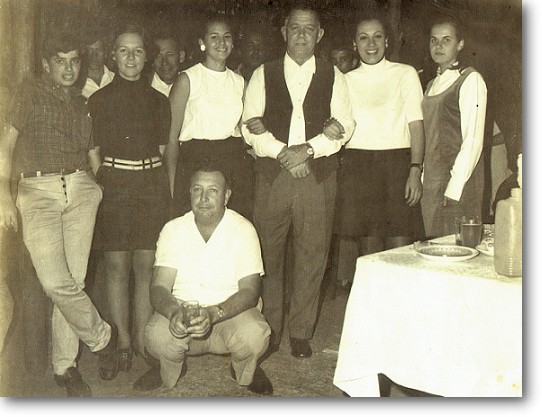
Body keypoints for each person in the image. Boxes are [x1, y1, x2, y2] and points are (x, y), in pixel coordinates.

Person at [0, 31, 117, 396]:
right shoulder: (29, 92)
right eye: (60, 61)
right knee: (55, 282)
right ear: (46, 64)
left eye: (74, 61)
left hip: (81, 189)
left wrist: (99, 188)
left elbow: (93, 154)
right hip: (38, 191)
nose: (68, 68)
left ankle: (65, 368)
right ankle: (102, 338)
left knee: (74, 283)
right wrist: (4, 197)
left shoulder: (81, 104)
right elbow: (6, 145)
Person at [241, 2, 354, 359]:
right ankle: (270, 328)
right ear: (284, 32)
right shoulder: (263, 73)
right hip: (273, 175)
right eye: (295, 28)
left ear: (320, 35)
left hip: (317, 176)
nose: (302, 35)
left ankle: (301, 332)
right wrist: (284, 153)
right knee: (267, 254)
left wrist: (308, 150)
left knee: (312, 255)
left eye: (309, 29)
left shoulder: (335, 76)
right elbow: (249, 126)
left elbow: (345, 125)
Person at [133, 163, 273, 395]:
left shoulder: (243, 229)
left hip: (229, 315)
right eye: (197, 190)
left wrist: (213, 313)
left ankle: (244, 367)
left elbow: (250, 291)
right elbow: (159, 287)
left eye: (213, 191)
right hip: (184, 316)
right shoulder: (173, 229)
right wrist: (173, 313)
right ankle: (168, 368)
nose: (204, 198)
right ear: (189, 193)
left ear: (226, 196)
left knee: (255, 334)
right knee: (155, 336)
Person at [88, 23, 171, 372]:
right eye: (124, 50)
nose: (131, 57)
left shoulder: (159, 101)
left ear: (146, 55)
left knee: (146, 265)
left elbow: (163, 150)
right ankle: (122, 341)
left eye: (138, 50)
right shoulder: (98, 100)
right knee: (117, 266)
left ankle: (142, 341)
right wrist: (106, 181)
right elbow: (93, 151)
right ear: (113, 55)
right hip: (115, 187)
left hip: (150, 185)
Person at [333, 12, 426, 288]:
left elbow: (416, 126)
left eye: (377, 37)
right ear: (355, 43)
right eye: (363, 38)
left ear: (387, 41)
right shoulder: (344, 80)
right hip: (358, 168)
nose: (371, 44)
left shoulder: (405, 73)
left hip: (397, 167)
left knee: (401, 254)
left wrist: (415, 170)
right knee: (370, 256)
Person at [165, 15, 254, 220]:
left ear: (233, 43)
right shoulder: (187, 79)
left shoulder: (240, 82)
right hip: (194, 160)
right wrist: (172, 184)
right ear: (202, 43)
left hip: (232, 160)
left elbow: (245, 133)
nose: (221, 43)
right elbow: (171, 138)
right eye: (214, 37)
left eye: (226, 37)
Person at [420, 18, 487, 238]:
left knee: (455, 248)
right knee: (433, 246)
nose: (438, 46)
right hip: (431, 183)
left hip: (457, 183)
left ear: (460, 44)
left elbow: (473, 139)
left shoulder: (470, 79)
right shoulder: (431, 85)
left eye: (446, 40)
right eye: (434, 40)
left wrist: (454, 186)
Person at [81, 29, 115, 100]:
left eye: (99, 50)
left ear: (105, 53)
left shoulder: (115, 80)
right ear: (84, 53)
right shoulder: (77, 84)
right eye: (90, 50)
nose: (94, 55)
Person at [150, 31, 186, 97]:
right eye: (158, 56)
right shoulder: (142, 85)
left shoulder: (192, 85)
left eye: (170, 55)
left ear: (181, 56)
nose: (164, 62)